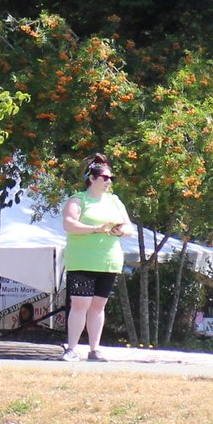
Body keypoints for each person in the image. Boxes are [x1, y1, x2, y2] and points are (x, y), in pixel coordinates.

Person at [60, 154, 130, 362]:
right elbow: (69, 224)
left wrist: (118, 231)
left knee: (98, 306)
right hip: (82, 261)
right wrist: (95, 229)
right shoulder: (78, 199)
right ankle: (72, 348)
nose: (109, 182)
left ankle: (94, 349)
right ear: (92, 178)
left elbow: (129, 228)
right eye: (105, 178)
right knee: (80, 304)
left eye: (111, 178)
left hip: (108, 262)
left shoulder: (115, 201)